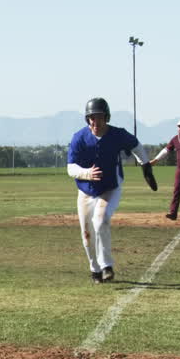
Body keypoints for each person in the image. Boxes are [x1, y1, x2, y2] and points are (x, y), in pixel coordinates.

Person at [66, 97, 151, 283]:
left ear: (107, 117)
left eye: (99, 117)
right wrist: (86, 173)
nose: (95, 122)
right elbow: (70, 167)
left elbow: (135, 145)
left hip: (109, 187)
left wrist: (146, 166)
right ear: (87, 119)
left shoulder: (117, 134)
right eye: (91, 118)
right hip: (86, 190)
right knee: (86, 234)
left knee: (101, 220)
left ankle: (106, 266)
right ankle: (94, 269)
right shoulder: (79, 137)